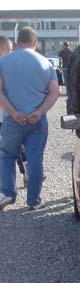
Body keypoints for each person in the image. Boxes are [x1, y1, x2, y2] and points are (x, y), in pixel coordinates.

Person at [0, 27, 59, 210]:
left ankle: (8, 193)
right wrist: (40, 111)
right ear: (35, 42)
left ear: (17, 42)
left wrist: (13, 112)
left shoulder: (3, 62)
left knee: (7, 155)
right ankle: (34, 200)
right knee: (35, 160)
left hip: (13, 119)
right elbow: (54, 92)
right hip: (36, 119)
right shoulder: (46, 63)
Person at [0, 36, 28, 186]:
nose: (12, 52)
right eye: (10, 50)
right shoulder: (7, 66)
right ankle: (26, 172)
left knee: (13, 146)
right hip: (8, 114)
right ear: (2, 49)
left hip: (8, 114)